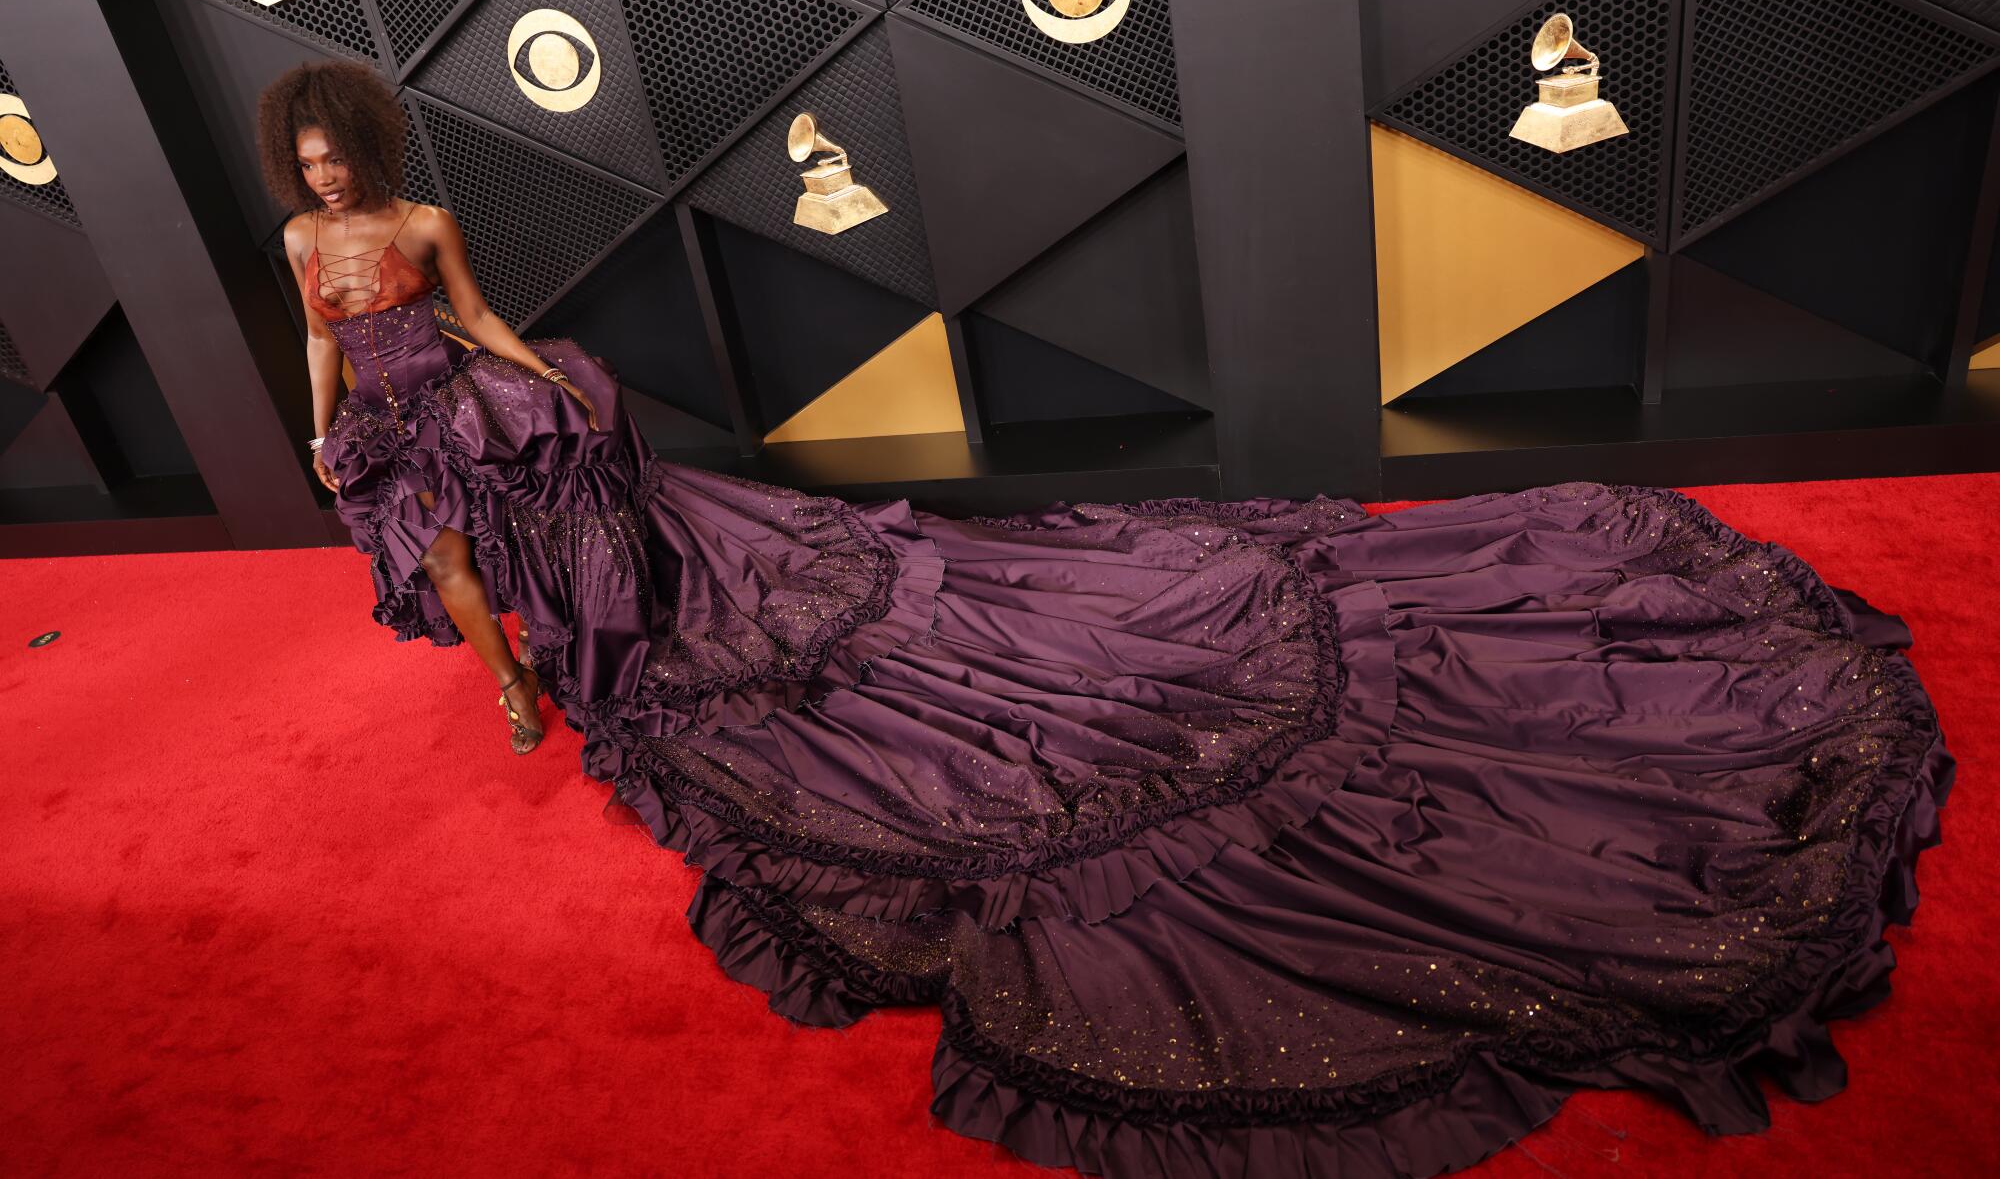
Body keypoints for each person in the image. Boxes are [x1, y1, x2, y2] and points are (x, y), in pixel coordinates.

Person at [257, 60, 1953, 1179]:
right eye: (313, 159)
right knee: (463, 557)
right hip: (392, 424)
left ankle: (544, 667)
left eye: (344, 154)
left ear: (379, 162)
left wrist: (546, 376)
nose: (330, 174)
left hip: (467, 392)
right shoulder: (302, 245)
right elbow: (328, 352)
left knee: (629, 541)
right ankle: (516, 679)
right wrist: (326, 426)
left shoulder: (419, 225)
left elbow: (472, 315)